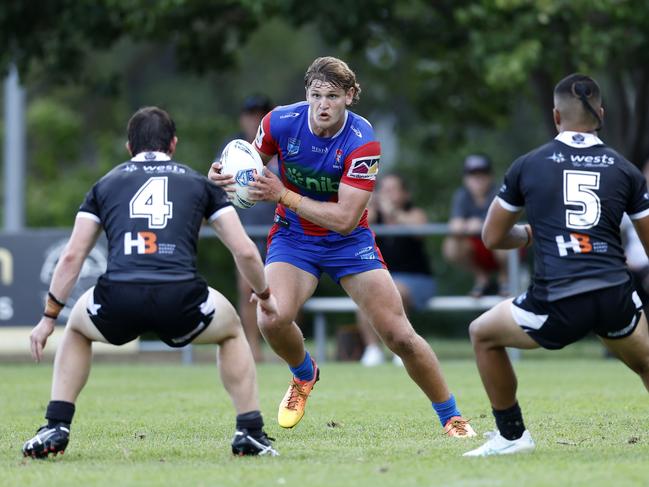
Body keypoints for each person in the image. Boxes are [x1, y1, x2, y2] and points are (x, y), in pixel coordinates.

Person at [210, 56, 476, 437]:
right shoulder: (279, 122)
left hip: (348, 242)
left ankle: (451, 417)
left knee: (399, 335)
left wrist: (283, 193)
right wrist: (222, 177)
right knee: (270, 316)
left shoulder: (362, 141)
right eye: (316, 95)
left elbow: (346, 218)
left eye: (332, 96)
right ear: (306, 94)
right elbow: (246, 168)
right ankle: (304, 374)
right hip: (294, 238)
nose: (322, 105)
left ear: (350, 96)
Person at [22, 107, 280, 459]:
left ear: (130, 147)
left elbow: (71, 257)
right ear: (173, 144)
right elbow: (246, 253)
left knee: (78, 329)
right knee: (232, 329)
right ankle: (249, 431)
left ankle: (56, 424)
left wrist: (49, 317)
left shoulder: (106, 184)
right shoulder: (198, 183)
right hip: (181, 298)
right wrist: (264, 295)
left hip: (119, 298)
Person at [464, 74, 649, 457]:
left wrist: (530, 234)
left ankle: (513, 436)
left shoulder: (528, 165)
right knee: (646, 361)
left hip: (558, 298)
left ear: (555, 116)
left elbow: (493, 237)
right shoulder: (625, 169)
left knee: (482, 333)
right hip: (614, 292)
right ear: (601, 112)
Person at [219, 95, 277, 362]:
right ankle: (254, 350)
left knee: (282, 291)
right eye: (250, 113)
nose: (255, 119)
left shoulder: (282, 145)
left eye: (260, 113)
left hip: (282, 229)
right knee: (246, 289)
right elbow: (216, 190)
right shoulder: (232, 149)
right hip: (247, 233)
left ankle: (281, 347)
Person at [358, 173, 437, 367]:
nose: (387, 194)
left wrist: (393, 213)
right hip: (383, 278)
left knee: (395, 290)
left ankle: (403, 348)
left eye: (392, 190)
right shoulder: (373, 216)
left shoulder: (415, 213)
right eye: (384, 190)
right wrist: (370, 214)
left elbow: (420, 231)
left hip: (417, 280)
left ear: (405, 194)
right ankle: (373, 350)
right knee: (362, 291)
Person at [443, 154, 509, 297]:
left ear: (490, 176)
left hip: (505, 246)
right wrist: (463, 225)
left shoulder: (501, 191)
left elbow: (503, 222)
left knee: (499, 238)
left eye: (482, 174)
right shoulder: (461, 195)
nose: (478, 179)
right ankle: (481, 277)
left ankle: (505, 279)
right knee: (452, 244)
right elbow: (456, 224)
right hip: (478, 248)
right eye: (473, 174)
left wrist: (480, 224)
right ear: (465, 178)